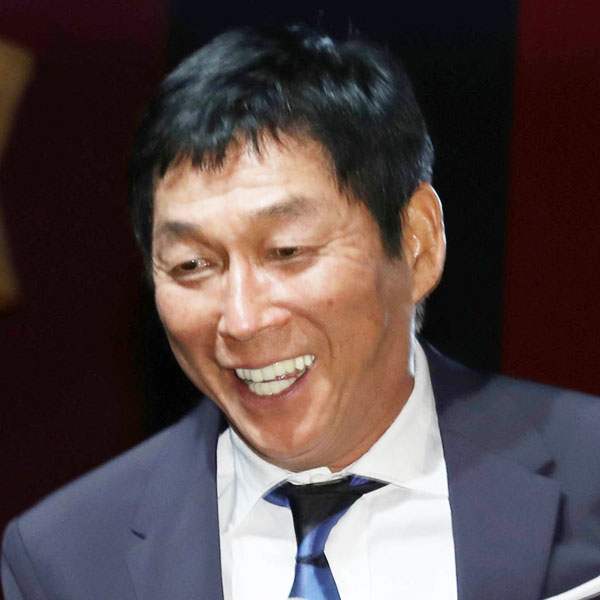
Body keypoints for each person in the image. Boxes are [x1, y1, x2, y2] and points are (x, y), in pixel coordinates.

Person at [3, 25, 600, 600]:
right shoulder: (63, 561)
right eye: (191, 264)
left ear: (416, 243)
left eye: (287, 251)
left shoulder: (588, 473)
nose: (242, 320)